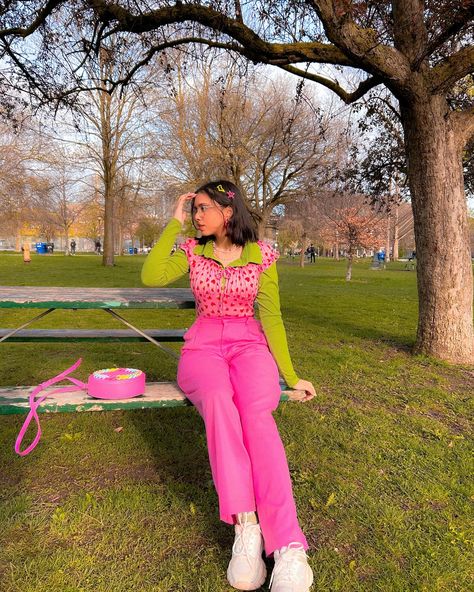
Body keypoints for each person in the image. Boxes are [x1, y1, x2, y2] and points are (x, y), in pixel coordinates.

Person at [142, 180, 316, 592]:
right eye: (195, 209)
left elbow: (271, 317)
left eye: (203, 208)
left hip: (250, 346)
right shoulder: (192, 249)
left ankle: (289, 547)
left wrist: (291, 376)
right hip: (202, 348)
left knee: (257, 415)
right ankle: (246, 527)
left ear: (228, 211)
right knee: (220, 403)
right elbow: (151, 275)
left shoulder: (263, 256)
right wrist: (174, 221)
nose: (197, 216)